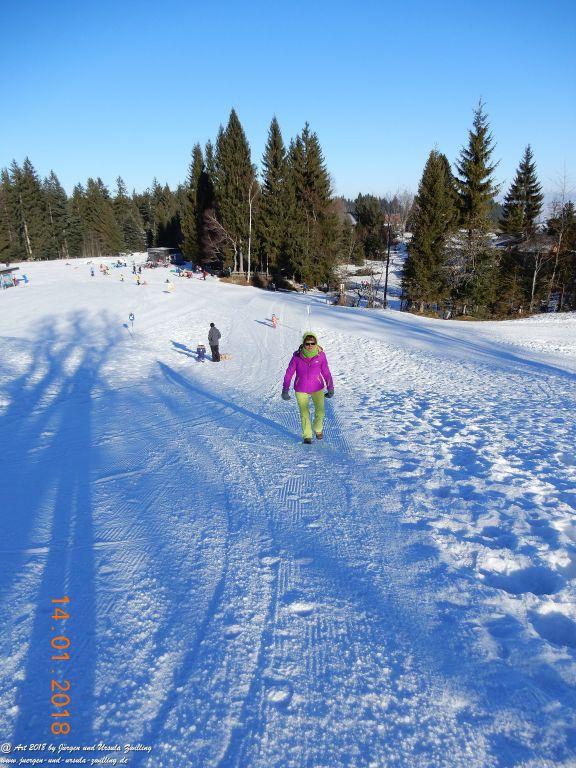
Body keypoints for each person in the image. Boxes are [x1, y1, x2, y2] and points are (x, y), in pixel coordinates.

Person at [282, 332, 334, 444]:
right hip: (301, 388)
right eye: (307, 343)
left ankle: (318, 429)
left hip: (317, 387)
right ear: (303, 344)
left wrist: (330, 387)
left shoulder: (321, 356)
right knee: (304, 413)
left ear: (316, 343)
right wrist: (285, 389)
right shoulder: (297, 357)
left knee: (320, 412)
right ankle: (307, 436)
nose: (310, 346)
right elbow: (289, 373)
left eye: (312, 343)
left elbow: (326, 372)